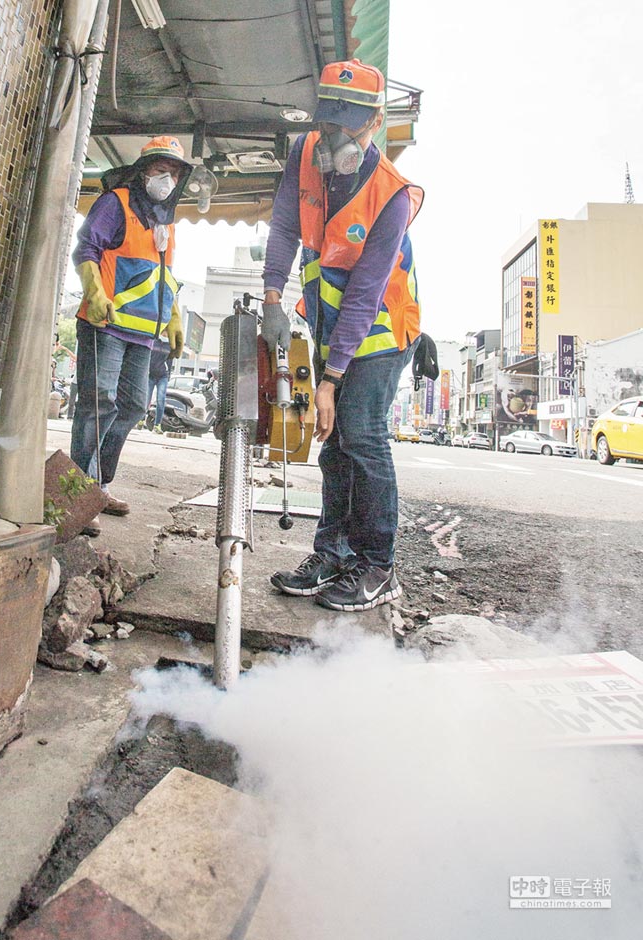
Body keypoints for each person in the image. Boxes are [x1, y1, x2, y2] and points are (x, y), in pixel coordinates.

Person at [262, 59, 424, 612]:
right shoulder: (305, 155)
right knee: (333, 444)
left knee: (360, 434)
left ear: (374, 122)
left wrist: (329, 378)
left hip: (380, 330)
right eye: (327, 120)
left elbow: (364, 294)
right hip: (329, 325)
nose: (333, 135)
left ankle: (377, 566)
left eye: (346, 123)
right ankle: (331, 554)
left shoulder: (392, 194)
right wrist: (272, 299)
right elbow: (285, 226)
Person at [70, 136, 190, 536]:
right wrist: (95, 293)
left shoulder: (165, 222)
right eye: (160, 170)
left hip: (142, 335)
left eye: (173, 173)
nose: (166, 179)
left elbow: (165, 277)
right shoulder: (115, 202)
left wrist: (172, 317)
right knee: (97, 404)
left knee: (134, 406)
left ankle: (99, 488)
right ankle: (77, 493)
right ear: (143, 171)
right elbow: (85, 248)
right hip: (105, 325)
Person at [147, 336, 171, 432]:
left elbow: (170, 362)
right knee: (146, 399)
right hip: (150, 375)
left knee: (161, 400)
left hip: (162, 376)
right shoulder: (153, 341)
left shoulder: (169, 346)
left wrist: (168, 376)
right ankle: (140, 420)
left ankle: (157, 425)